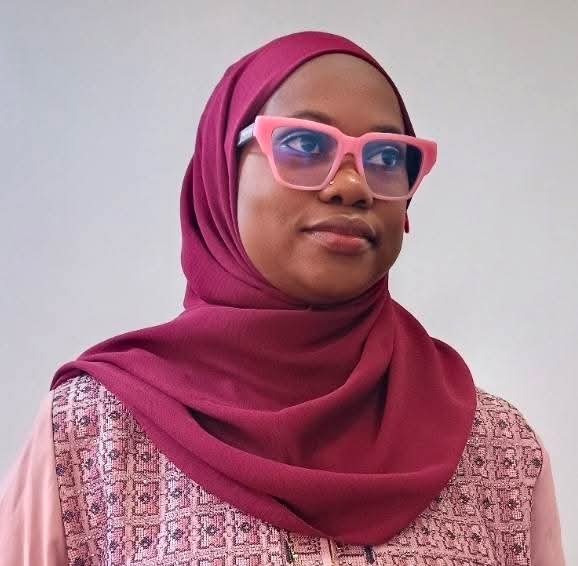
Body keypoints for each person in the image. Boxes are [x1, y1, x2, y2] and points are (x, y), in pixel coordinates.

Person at [0, 30, 565, 565]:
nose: (352, 185)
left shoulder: (497, 453)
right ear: (222, 175)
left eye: (386, 158)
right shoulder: (91, 435)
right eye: (304, 144)